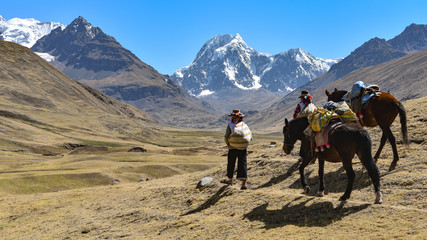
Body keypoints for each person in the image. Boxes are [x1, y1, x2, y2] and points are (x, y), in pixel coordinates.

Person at [222, 110, 252, 190]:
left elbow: (226, 136)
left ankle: (230, 180)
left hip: (232, 147)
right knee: (242, 163)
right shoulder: (244, 125)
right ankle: (243, 184)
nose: (232, 118)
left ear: (233, 117)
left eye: (232, 116)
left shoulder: (230, 124)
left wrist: (229, 144)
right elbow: (249, 135)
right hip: (243, 147)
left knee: (231, 163)